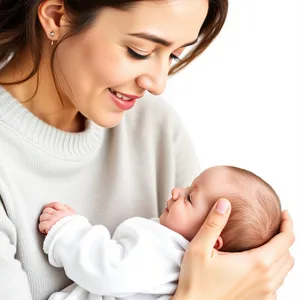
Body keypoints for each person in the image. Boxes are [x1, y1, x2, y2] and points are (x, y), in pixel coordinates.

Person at [0, 1, 294, 300]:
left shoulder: (155, 127)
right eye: (139, 51)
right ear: (55, 16)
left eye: (175, 54)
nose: (158, 84)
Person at [38, 165, 282, 300]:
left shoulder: (164, 252)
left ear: (212, 241)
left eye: (189, 197)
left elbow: (108, 269)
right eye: (188, 185)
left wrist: (67, 230)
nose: (176, 190)